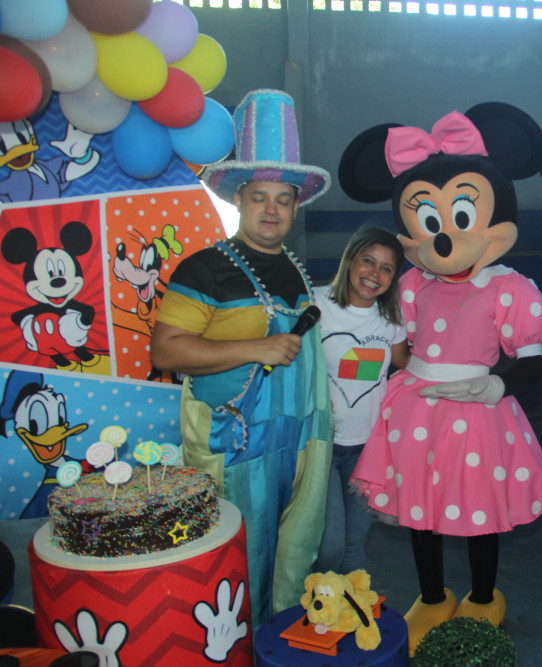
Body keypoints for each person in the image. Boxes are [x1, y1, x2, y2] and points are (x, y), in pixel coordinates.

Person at [337, 102, 542, 655]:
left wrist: (499, 384)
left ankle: (483, 596)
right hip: (416, 406)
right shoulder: (413, 283)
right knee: (420, 508)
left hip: (478, 411)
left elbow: (533, 358)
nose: (443, 239)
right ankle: (434, 596)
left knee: (480, 512)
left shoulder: (509, 287)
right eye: (429, 221)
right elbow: (395, 343)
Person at [150, 89, 334, 628]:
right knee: (236, 562)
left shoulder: (296, 269)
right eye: (259, 197)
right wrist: (256, 347)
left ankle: (280, 644)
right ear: (238, 200)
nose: (271, 210)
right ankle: (231, 650)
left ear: (295, 206)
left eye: (283, 199)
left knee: (294, 555)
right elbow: (165, 350)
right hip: (234, 445)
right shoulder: (203, 268)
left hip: (300, 441)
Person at [314, 226, 409, 574]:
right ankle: (313, 600)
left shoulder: (391, 318)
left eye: (386, 268)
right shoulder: (315, 303)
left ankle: (352, 607)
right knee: (330, 545)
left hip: (367, 450)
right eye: (368, 261)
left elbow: (406, 364)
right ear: (351, 260)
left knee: (354, 549)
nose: (374, 273)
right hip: (321, 446)